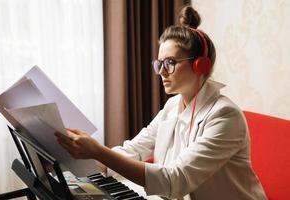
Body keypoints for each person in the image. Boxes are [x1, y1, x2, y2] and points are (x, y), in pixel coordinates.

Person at [55, 6, 267, 200]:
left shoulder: (225, 116)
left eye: (170, 63)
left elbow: (175, 180)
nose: (162, 72)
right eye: (159, 63)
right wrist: (90, 159)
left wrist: (98, 152)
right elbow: (135, 150)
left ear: (200, 65)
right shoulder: (172, 106)